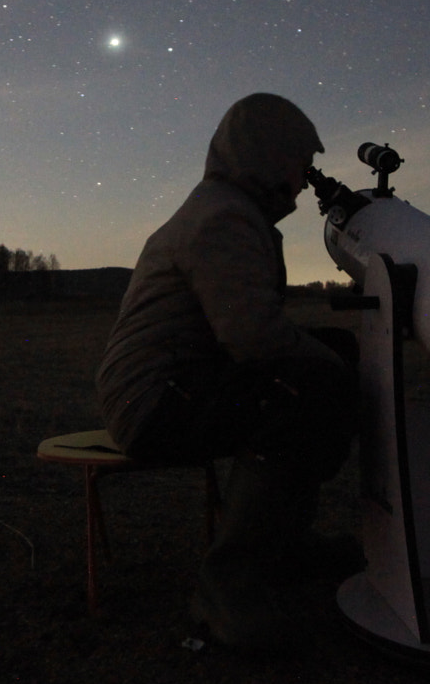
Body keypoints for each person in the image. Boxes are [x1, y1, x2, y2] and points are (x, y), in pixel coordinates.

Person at [95, 93, 361, 652]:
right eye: (297, 161)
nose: (304, 177)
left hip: (177, 383)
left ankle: (286, 544)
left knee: (325, 360)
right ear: (264, 156)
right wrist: (334, 373)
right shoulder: (223, 218)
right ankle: (228, 588)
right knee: (301, 389)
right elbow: (254, 338)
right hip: (156, 400)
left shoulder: (230, 211)